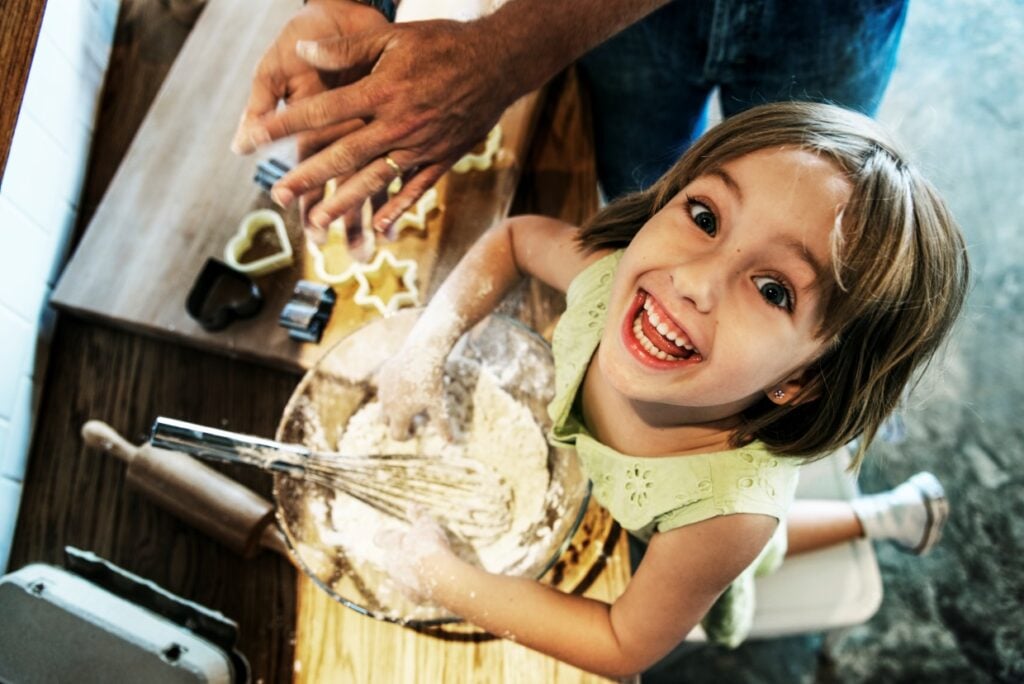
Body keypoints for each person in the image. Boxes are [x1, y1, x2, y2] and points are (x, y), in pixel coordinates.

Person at [367, 102, 969, 677]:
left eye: (772, 289)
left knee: (769, 549)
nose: (694, 280)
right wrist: (424, 347)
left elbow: (622, 642)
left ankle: (883, 516)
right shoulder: (606, 281)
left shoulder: (726, 519)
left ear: (801, 378)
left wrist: (443, 578)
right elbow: (515, 239)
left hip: (722, 539)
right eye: (706, 218)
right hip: (640, 508)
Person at [231, 0, 908, 239]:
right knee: (641, 195)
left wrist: (503, 54)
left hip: (826, 14)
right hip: (621, 26)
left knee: (800, 214)